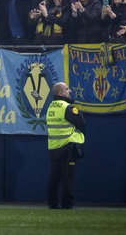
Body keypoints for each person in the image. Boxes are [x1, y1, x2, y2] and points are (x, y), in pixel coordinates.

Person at [46, 81, 86, 210]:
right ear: (61, 93)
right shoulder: (67, 107)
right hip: (68, 147)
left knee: (55, 177)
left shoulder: (51, 107)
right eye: (67, 89)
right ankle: (67, 205)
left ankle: (52, 204)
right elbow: (82, 123)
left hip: (54, 147)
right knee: (68, 177)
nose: (70, 91)